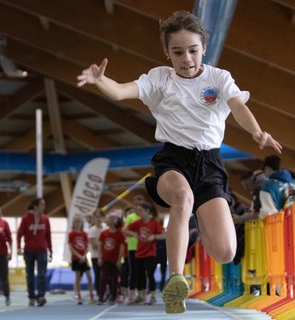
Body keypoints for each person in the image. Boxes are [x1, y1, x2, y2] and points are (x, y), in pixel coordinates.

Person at [77, 10, 282, 314]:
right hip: (173, 160)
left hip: (210, 165)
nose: (186, 58)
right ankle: (176, 280)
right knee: (183, 197)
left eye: (193, 50)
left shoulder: (219, 78)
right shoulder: (160, 78)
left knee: (226, 252)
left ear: (203, 49)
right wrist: (100, 80)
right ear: (167, 53)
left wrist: (256, 131)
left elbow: (237, 106)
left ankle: (198, 216)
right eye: (177, 52)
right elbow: (121, 92)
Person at [124, 201, 165, 305]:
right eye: (137, 211)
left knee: (150, 274)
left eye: (140, 211)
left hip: (150, 253)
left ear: (147, 211)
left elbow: (165, 235)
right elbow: (124, 230)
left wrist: (154, 236)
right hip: (139, 253)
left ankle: (152, 296)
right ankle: (140, 296)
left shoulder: (154, 223)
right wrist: (133, 234)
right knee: (139, 275)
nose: (138, 213)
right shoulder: (137, 223)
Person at [17, 197, 52, 307]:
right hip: (29, 251)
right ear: (36, 206)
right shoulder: (26, 219)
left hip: (42, 250)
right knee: (30, 275)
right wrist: (18, 247)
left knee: (42, 274)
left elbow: (48, 236)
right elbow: (19, 234)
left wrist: (50, 250)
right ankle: (31, 296)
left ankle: (41, 296)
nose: (44, 207)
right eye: (42, 205)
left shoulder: (45, 219)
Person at [97, 211, 125, 305]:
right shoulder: (104, 233)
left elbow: (121, 247)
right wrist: (100, 257)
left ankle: (113, 297)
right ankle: (101, 297)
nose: (107, 220)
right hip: (105, 259)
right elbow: (100, 246)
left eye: (109, 218)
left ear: (114, 220)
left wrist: (119, 260)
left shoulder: (120, 233)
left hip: (115, 260)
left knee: (114, 279)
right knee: (103, 278)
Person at [68, 213, 95, 304]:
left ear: (81, 223)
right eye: (76, 222)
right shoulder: (71, 234)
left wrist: (84, 256)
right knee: (78, 277)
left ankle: (91, 295)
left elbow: (87, 246)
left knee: (89, 277)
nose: (77, 224)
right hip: (76, 258)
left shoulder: (84, 234)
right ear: (73, 223)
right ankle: (78, 295)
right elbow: (71, 247)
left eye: (79, 222)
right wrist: (79, 256)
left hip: (84, 258)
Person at [87, 208, 107, 299]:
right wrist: (102, 244)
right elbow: (93, 244)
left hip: (106, 256)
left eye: (100, 217)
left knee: (106, 275)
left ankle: (107, 292)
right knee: (98, 274)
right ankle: (99, 293)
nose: (98, 219)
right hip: (95, 256)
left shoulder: (106, 227)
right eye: (96, 217)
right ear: (93, 218)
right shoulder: (92, 230)